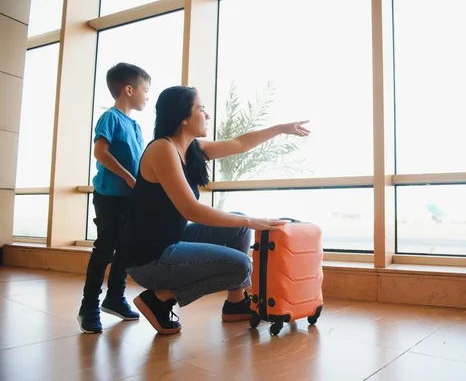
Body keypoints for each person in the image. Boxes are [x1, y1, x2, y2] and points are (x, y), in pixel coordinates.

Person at [118, 85, 310, 335]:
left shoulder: (191, 148)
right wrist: (255, 221)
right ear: (183, 117)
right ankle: (162, 297)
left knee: (239, 224)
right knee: (242, 266)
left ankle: (235, 303)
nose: (207, 115)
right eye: (201, 109)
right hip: (149, 259)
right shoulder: (162, 149)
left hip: (171, 241)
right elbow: (191, 210)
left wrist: (280, 129)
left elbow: (239, 143)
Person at [77, 62, 151, 333]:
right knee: (105, 249)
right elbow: (100, 152)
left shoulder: (136, 125)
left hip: (130, 198)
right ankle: (88, 307)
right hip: (110, 196)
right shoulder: (110, 118)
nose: (146, 96)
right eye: (145, 90)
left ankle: (115, 298)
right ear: (128, 90)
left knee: (127, 248)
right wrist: (129, 179)